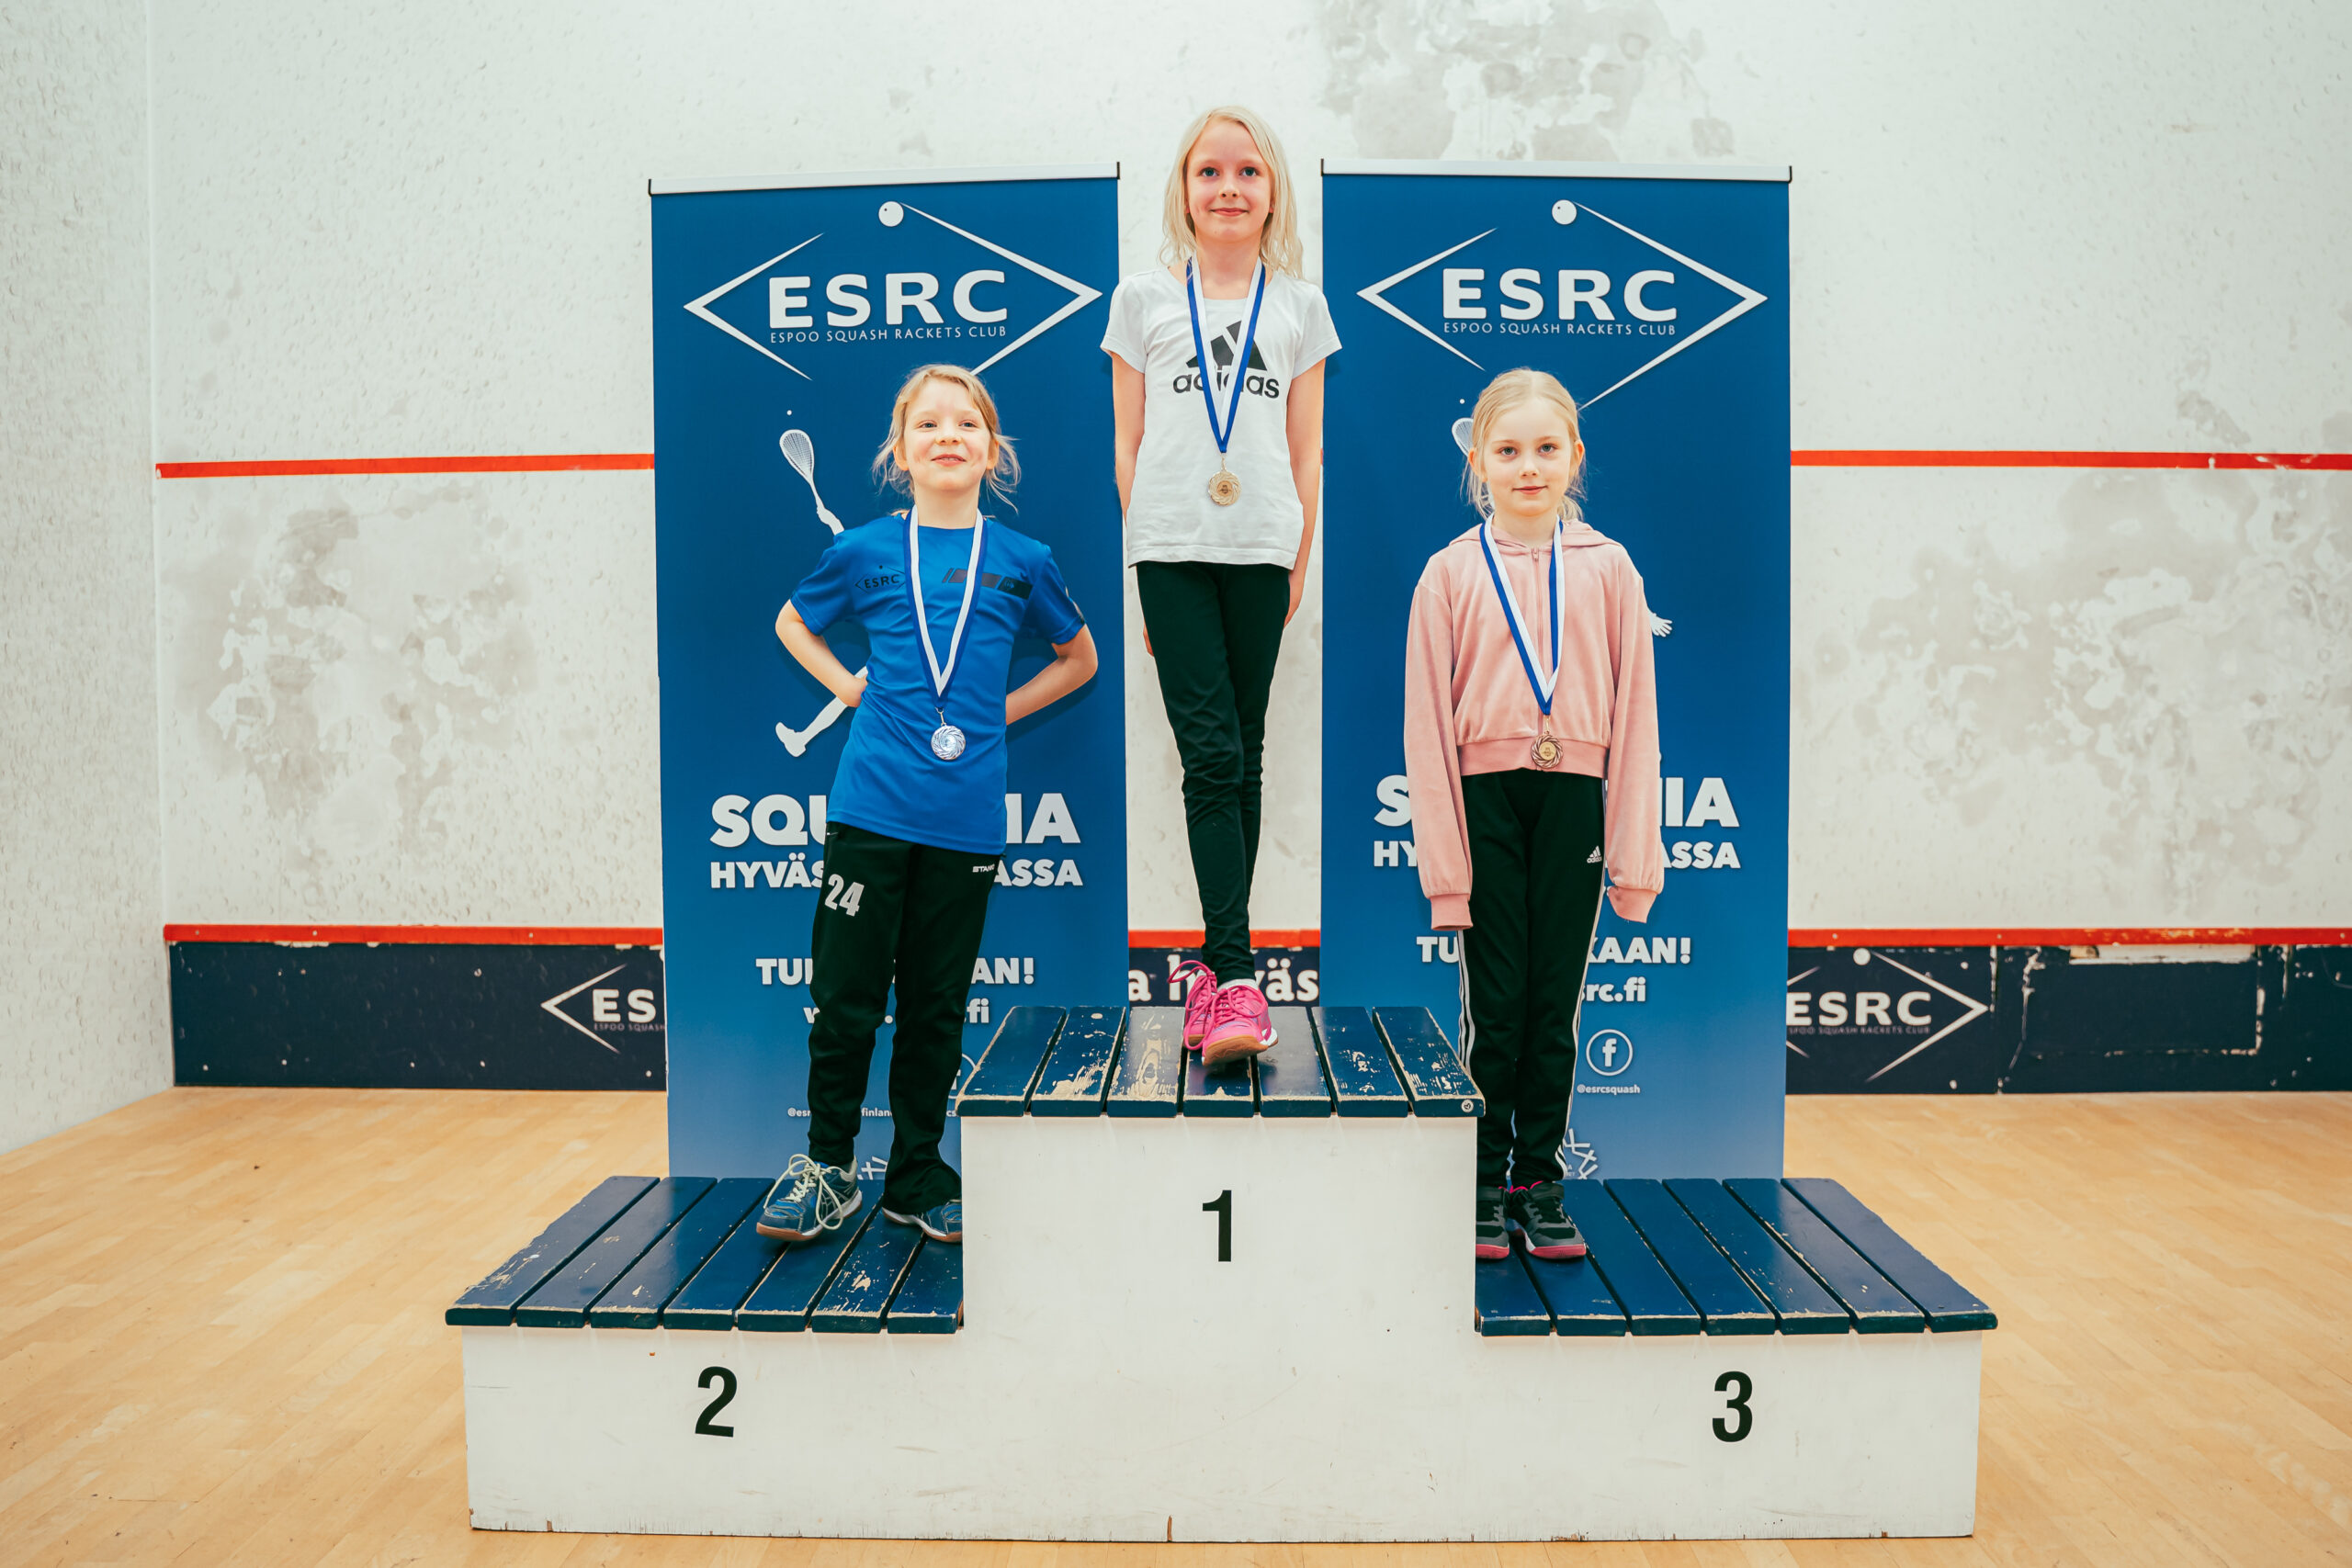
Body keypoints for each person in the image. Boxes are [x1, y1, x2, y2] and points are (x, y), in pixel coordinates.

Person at [757, 364, 1098, 1246]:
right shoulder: (865, 551)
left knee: (936, 1005)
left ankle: (916, 1172)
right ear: (900, 452)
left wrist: (994, 715)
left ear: (993, 450)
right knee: (846, 998)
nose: (949, 435)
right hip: (869, 812)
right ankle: (828, 1168)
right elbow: (794, 621)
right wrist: (848, 687)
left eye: (967, 423)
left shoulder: (1024, 561)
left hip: (965, 821)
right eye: (929, 424)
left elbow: (1080, 659)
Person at [1402, 368, 1664, 1261]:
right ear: (1477, 460)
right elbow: (1426, 732)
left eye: (1546, 449)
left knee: (1554, 1008)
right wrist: (1446, 874)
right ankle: (1480, 1178)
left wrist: (1634, 863)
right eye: (1508, 450)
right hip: (1484, 804)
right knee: (1498, 1008)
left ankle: (1537, 1181)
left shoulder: (1611, 568)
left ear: (1574, 457)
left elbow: (1638, 725)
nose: (1528, 467)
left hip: (1571, 803)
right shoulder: (1447, 574)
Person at [1102, 105, 1339, 1066]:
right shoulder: (1141, 301)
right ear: (1184, 190)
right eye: (1209, 171)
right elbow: (1126, 444)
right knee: (1208, 756)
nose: (1229, 187)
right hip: (1171, 550)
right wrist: (1143, 557)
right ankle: (1238, 975)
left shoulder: (1301, 306)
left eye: (1248, 171)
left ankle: (1214, 975)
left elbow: (1307, 450)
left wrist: (1298, 557)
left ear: (1273, 191)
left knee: (1244, 755)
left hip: (1263, 548)